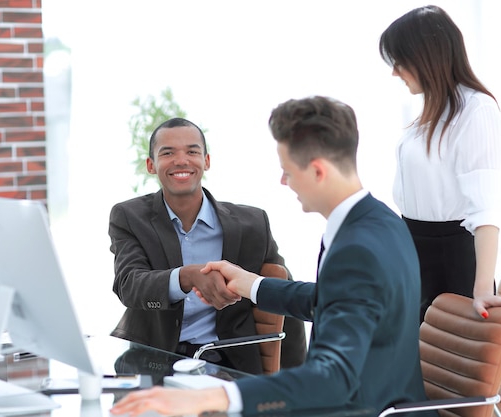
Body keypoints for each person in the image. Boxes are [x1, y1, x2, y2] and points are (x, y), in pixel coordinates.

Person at [110, 96, 433, 417]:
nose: (283, 181)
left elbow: (331, 378)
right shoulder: (381, 222)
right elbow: (334, 299)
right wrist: (252, 285)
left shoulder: (356, 248)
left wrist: (213, 398)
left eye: (287, 171)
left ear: (318, 171)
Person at [108, 117, 306, 375]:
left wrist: (297, 379)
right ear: (151, 165)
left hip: (228, 362)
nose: (181, 160)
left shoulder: (253, 224)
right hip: (153, 359)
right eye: (167, 153)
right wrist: (186, 277)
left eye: (192, 151)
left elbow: (282, 293)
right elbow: (129, 285)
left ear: (207, 161)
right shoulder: (129, 216)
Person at [379, 5, 501, 322]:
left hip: (450, 259)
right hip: (415, 253)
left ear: (425, 56)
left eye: (399, 61)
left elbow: (484, 211)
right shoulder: (429, 111)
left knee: (446, 366)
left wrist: (482, 288)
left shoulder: (476, 110)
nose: (394, 72)